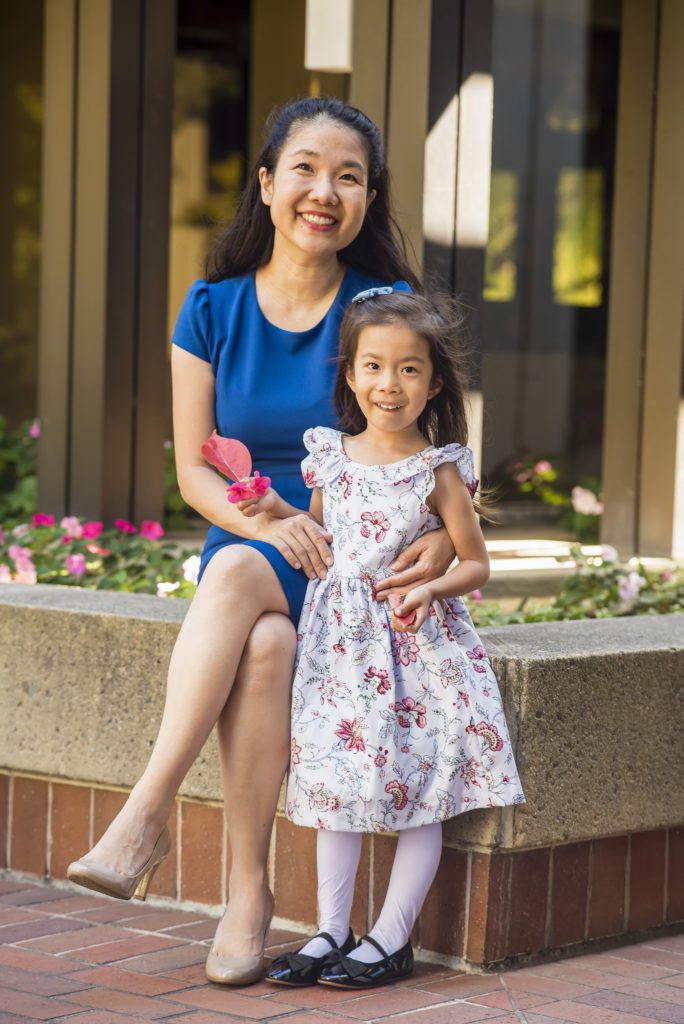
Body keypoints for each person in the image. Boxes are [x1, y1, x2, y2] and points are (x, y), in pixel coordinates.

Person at [66, 97, 458, 986]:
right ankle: (248, 893)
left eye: (350, 177)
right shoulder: (209, 308)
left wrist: (438, 535)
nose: (325, 191)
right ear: (268, 184)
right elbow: (196, 470)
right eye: (307, 169)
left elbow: (436, 452)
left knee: (248, 589)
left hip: (353, 567)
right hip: (255, 544)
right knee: (263, 627)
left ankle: (150, 809)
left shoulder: (381, 310)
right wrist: (273, 520)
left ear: (367, 199)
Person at [235, 287, 525, 989]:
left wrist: (430, 586)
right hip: (343, 655)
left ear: (433, 383)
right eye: (372, 366)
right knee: (338, 785)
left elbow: (477, 559)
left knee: (421, 788)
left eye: (407, 370)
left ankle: (393, 936)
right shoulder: (330, 458)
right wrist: (274, 509)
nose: (387, 385)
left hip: (418, 655)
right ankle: (334, 927)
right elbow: (331, 546)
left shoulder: (437, 470)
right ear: (350, 374)